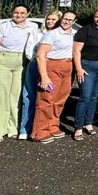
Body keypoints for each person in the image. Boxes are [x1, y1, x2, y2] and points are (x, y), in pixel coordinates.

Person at [0, 4, 38, 142]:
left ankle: (12, 128)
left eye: (22, 13)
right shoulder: (3, 26)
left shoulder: (33, 27)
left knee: (15, 96)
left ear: (28, 14)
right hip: (2, 61)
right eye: (16, 12)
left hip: (21, 62)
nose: (19, 15)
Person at [32, 11, 78, 144]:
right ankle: (40, 131)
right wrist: (44, 76)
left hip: (67, 66)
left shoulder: (73, 35)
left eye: (70, 20)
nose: (67, 22)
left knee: (60, 99)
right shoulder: (52, 34)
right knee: (46, 99)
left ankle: (52, 126)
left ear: (74, 22)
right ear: (61, 19)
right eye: (65, 19)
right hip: (52, 66)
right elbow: (40, 55)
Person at [19, 10, 61, 140]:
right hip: (34, 66)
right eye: (48, 19)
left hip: (52, 68)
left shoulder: (61, 35)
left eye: (54, 20)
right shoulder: (37, 33)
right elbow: (29, 50)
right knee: (29, 97)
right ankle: (24, 128)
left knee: (47, 99)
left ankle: (45, 127)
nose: (50, 22)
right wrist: (39, 61)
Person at [72, 8, 98, 141]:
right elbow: (76, 51)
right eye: (97, 17)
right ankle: (78, 127)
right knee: (85, 97)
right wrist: (79, 69)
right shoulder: (85, 30)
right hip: (88, 66)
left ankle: (88, 123)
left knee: (94, 97)